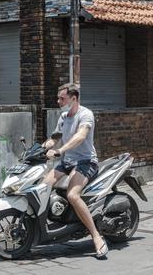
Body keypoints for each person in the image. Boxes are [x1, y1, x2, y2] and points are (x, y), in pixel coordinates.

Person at [41, 83, 107, 259]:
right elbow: (55, 137)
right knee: (43, 186)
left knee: (72, 195)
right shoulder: (63, 116)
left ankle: (96, 237)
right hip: (68, 162)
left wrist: (60, 151)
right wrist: (42, 148)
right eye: (58, 98)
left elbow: (80, 136)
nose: (58, 101)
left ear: (73, 98)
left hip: (86, 162)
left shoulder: (85, 115)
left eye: (62, 98)